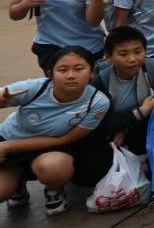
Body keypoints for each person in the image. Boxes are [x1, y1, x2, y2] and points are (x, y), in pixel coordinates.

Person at [0, 46, 110, 215]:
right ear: (51, 74)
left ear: (92, 72)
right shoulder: (35, 87)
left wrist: (8, 146)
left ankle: (54, 190)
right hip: (8, 138)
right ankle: (16, 185)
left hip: (50, 147)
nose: (71, 75)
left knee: (55, 169)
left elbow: (65, 140)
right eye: (63, 70)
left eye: (79, 69)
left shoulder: (98, 102)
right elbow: (3, 95)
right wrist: (1, 102)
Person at [73, 27, 154, 186]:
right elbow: (101, 124)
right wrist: (140, 112)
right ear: (109, 57)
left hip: (146, 129)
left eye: (138, 51)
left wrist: (125, 127)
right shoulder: (101, 82)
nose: (133, 59)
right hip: (112, 136)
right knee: (88, 175)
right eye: (123, 54)